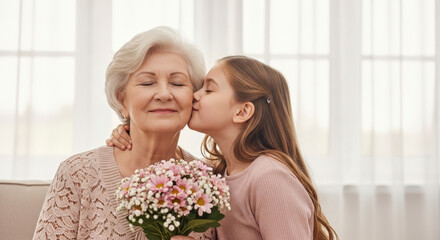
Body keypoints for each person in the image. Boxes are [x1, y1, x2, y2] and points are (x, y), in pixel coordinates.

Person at [109, 55, 338, 240]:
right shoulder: (218, 175)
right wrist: (130, 130)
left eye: (208, 90)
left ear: (242, 112)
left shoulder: (270, 178)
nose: (194, 96)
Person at [33, 26, 214, 240]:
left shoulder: (211, 181)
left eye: (177, 83)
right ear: (121, 100)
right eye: (147, 82)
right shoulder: (78, 174)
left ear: (193, 97)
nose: (164, 94)